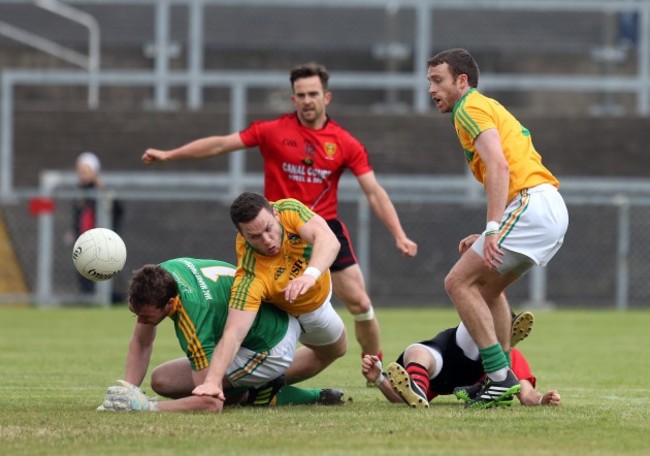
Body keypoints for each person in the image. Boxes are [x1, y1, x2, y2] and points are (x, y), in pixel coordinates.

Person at [142, 62, 418, 367]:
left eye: (313, 93)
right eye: (300, 94)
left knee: (361, 303)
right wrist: (170, 154)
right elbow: (222, 144)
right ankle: (252, 363)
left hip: (321, 230)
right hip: (273, 234)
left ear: (327, 97)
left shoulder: (345, 143)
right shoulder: (272, 131)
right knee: (260, 304)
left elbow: (374, 192)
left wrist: (399, 235)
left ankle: (374, 364)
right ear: (293, 99)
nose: (307, 100)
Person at [426, 48, 569, 408]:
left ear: (462, 81)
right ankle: (509, 382)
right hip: (545, 208)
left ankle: (499, 376)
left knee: (457, 282)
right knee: (488, 292)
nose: (431, 89)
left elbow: (499, 166)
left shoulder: (469, 107)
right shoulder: (484, 107)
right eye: (429, 81)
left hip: (531, 204)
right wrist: (495, 226)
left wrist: (492, 228)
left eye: (438, 80)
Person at [97, 258, 344, 413]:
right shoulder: (162, 275)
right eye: (135, 313)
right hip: (258, 323)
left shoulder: (193, 319)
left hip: (271, 346)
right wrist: (129, 391)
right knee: (161, 379)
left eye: (146, 317)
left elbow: (210, 403)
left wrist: (147, 407)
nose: (141, 322)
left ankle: (269, 393)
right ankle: (253, 390)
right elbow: (142, 341)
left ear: (171, 304)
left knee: (181, 386)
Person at [191, 192, 347, 401]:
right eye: (255, 237)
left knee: (338, 350)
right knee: (161, 380)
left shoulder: (289, 210)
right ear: (241, 234)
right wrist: (211, 382)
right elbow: (234, 332)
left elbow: (329, 240)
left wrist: (309, 276)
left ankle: (266, 387)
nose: (267, 240)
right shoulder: (251, 273)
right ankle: (257, 388)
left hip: (314, 302)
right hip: (282, 317)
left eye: (268, 229)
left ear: (275, 214)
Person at [362, 312, 561, 408]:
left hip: (467, 371)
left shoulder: (514, 356)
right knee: (416, 352)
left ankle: (496, 345)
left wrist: (542, 400)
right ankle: (418, 389)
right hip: (444, 360)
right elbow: (402, 399)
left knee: (479, 311)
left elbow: (527, 395)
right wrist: (379, 378)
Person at [65, 151, 124, 301]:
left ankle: (109, 299)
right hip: (84, 241)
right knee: (83, 274)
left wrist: (102, 189)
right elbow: (78, 216)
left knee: (103, 273)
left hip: (101, 243)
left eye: (85, 170)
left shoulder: (101, 191)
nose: (82, 174)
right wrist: (73, 231)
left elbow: (117, 210)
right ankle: (88, 299)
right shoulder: (80, 193)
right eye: (80, 170)